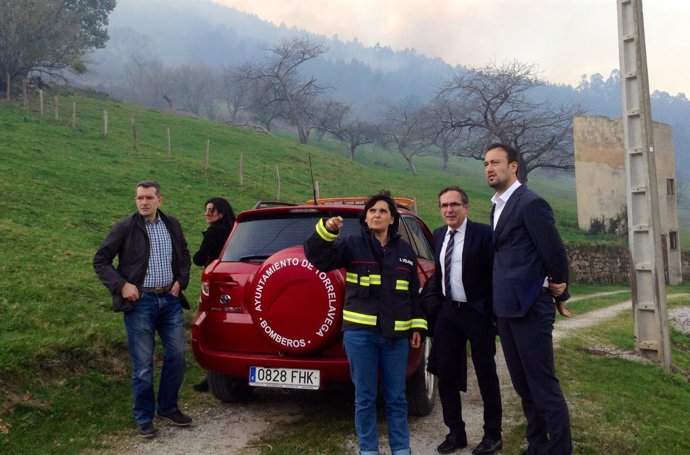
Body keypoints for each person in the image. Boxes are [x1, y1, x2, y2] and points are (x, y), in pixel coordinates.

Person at [304, 190, 427, 455]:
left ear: (392, 219)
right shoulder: (351, 244)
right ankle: (368, 450)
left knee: (396, 398)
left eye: (383, 211)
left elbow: (413, 294)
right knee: (365, 399)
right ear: (366, 217)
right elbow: (318, 258)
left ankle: (401, 449)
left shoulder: (405, 252)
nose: (377, 215)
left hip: (396, 338)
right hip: (361, 337)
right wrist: (327, 230)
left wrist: (417, 325)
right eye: (372, 211)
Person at [483, 143, 572, 455]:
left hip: (531, 307)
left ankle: (559, 449)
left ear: (514, 166)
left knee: (542, 386)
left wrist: (560, 287)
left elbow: (554, 251)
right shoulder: (497, 206)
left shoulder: (530, 203)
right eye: (485, 164)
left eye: (495, 162)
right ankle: (537, 446)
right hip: (506, 309)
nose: (489, 168)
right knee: (523, 387)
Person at [93, 180, 193, 439]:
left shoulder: (172, 224)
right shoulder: (126, 227)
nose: (143, 202)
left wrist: (181, 280)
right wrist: (122, 285)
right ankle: (144, 417)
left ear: (160, 200)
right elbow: (101, 260)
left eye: (149, 197)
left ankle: (168, 407)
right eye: (139, 198)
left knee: (177, 358)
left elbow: (183, 253)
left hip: (170, 301)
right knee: (143, 366)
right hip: (141, 303)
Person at [429, 186, 502, 454]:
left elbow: (496, 274)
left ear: (466, 207)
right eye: (444, 205)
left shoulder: (483, 234)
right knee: (446, 372)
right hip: (448, 313)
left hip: (477, 312)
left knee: (486, 373)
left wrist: (493, 313)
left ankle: (493, 435)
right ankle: (455, 432)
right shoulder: (439, 235)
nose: (449, 210)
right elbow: (438, 274)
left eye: (454, 205)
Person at [191, 197, 235, 392]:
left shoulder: (214, 231)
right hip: (233, 280)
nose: (207, 214)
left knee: (211, 325)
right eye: (206, 210)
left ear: (221, 213)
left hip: (215, 282)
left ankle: (213, 375)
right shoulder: (234, 229)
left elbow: (199, 258)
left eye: (211, 210)